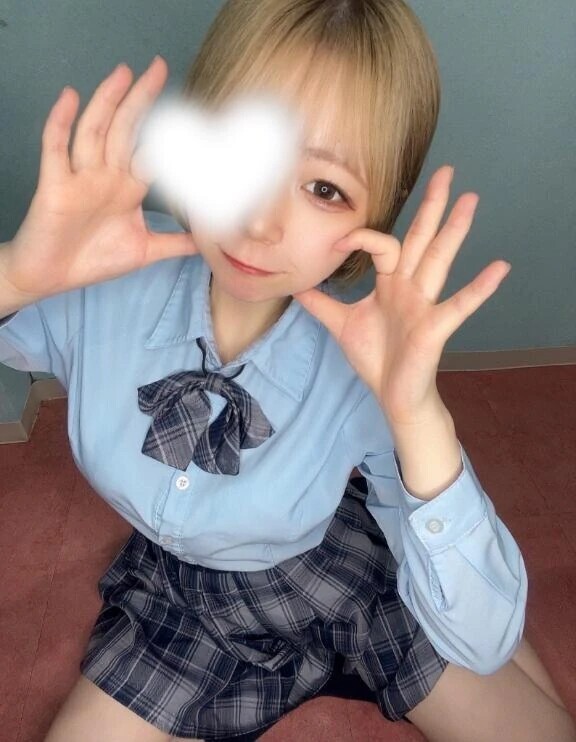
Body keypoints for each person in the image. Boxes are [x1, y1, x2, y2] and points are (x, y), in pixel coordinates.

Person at [0, 1, 574, 740]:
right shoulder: (103, 269)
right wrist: (17, 275)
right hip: (181, 599)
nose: (260, 221)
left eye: (325, 189)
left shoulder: (365, 369)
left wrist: (416, 414)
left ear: (373, 221)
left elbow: (484, 638)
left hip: (338, 565)